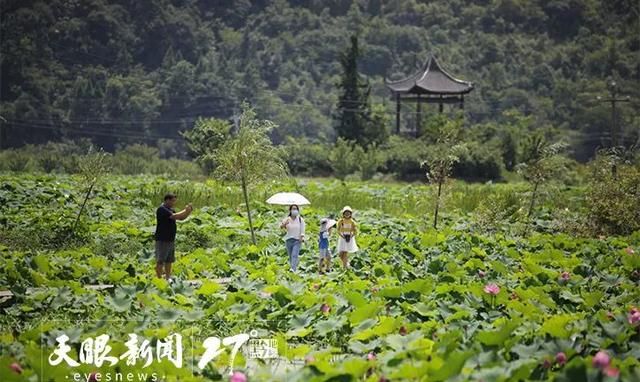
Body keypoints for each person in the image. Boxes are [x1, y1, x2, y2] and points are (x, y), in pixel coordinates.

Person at [154, 193, 192, 281]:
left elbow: (181, 218)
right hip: (162, 239)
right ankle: (159, 279)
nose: (173, 203)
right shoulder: (162, 209)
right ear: (167, 200)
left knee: (169, 260)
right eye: (172, 201)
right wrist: (186, 210)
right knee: (161, 260)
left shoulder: (170, 209)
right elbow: (174, 216)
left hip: (170, 239)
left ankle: (168, 277)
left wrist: (188, 212)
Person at [280, 204, 305, 272]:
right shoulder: (287, 219)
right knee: (291, 256)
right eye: (293, 209)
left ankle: (293, 269)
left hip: (297, 240)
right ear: (290, 210)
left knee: (294, 255)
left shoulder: (300, 219)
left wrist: (302, 237)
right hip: (288, 239)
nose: (295, 210)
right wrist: (284, 224)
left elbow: (302, 229)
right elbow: (281, 228)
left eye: (296, 209)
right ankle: (293, 267)